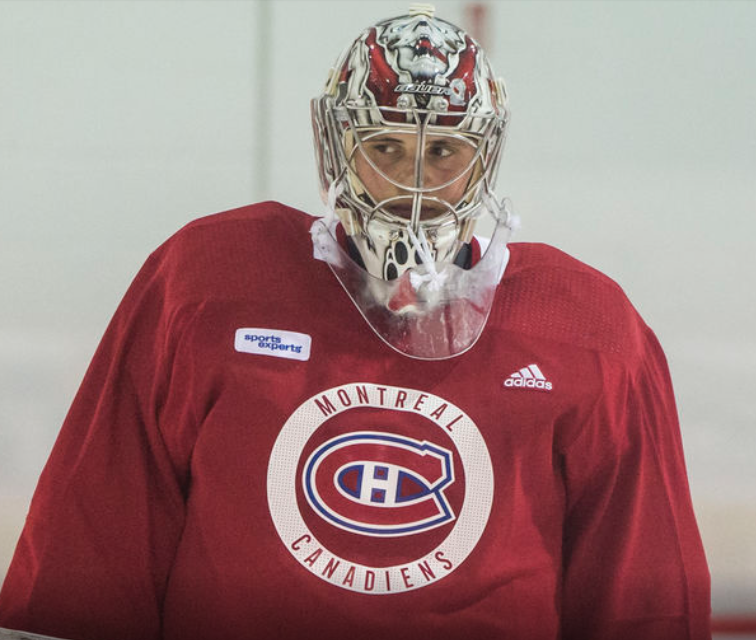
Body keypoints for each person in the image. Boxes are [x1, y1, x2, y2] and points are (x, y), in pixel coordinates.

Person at [0, 4, 710, 640]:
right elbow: (92, 556)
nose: (414, 186)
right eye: (386, 149)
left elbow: (646, 605)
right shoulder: (205, 284)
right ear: (338, 147)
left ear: (484, 157)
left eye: (442, 152)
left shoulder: (590, 330)